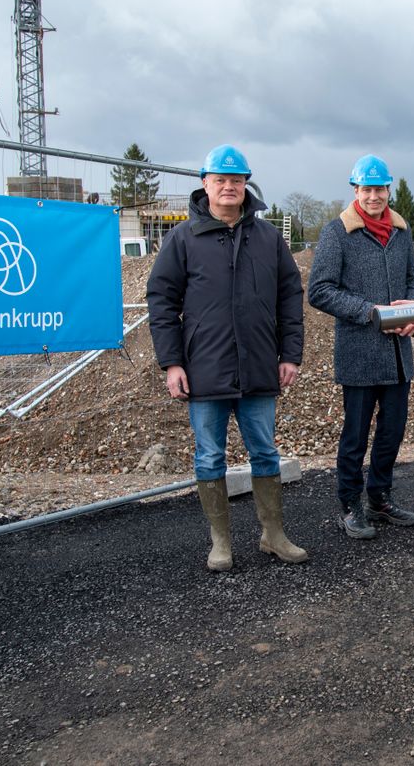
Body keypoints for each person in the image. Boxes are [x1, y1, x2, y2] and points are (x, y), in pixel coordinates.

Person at [146, 143, 308, 572]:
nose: (229, 187)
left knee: (265, 452)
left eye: (236, 180)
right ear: (205, 184)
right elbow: (161, 301)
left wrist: (290, 353)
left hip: (258, 367)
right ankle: (221, 542)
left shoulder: (268, 237)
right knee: (209, 457)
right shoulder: (183, 238)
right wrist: (172, 362)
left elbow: (291, 296)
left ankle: (273, 535)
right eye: (221, 180)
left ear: (245, 185)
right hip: (205, 370)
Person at [308, 154, 414, 539]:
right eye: (367, 189)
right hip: (360, 353)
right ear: (355, 190)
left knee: (392, 432)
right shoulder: (336, 233)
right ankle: (350, 503)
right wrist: (369, 312)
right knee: (355, 435)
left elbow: (413, 280)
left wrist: (411, 306)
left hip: (397, 356)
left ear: (389, 190)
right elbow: (320, 291)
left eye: (380, 189)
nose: (374, 196)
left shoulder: (401, 231)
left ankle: (380, 498)